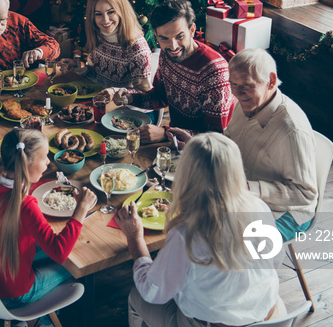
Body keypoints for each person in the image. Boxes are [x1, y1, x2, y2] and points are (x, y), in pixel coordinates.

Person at [116, 132, 285, 327]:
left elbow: (151, 291)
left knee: (136, 296)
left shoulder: (186, 233)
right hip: (272, 317)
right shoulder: (258, 206)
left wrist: (135, 238)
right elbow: (275, 261)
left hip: (210, 324)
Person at [0, 129, 97, 324]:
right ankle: (40, 320)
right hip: (14, 293)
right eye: (44, 157)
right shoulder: (25, 205)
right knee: (81, 266)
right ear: (27, 163)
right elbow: (59, 252)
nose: (48, 162)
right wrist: (81, 209)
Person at [103, 0, 234, 144]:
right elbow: (160, 97)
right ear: (156, 35)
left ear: (192, 30)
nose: (173, 46)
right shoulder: (167, 54)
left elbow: (216, 137)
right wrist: (131, 97)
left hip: (202, 152)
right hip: (173, 142)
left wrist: (166, 133)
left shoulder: (215, 72)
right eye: (164, 38)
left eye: (179, 36)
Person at [225, 48, 318, 242]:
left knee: (228, 243)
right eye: (233, 84)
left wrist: (249, 188)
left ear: (271, 81)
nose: (237, 93)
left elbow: (305, 195)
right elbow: (230, 139)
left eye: (246, 85)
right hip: (246, 194)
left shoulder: (292, 130)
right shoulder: (246, 102)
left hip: (287, 213)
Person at [58, 0, 152, 90]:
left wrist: (114, 92)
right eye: (98, 14)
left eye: (111, 12)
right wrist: (77, 66)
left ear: (121, 11)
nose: (105, 20)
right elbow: (96, 75)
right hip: (96, 99)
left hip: (120, 106)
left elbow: (145, 95)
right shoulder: (98, 34)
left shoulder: (138, 48)